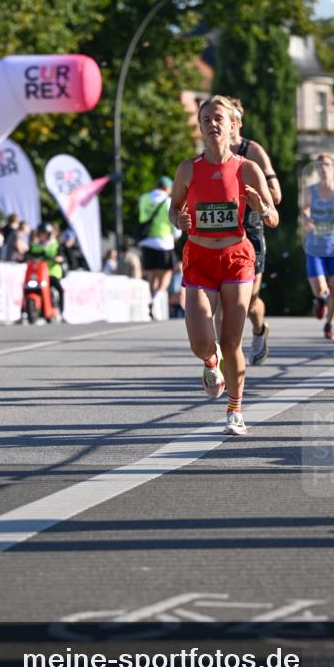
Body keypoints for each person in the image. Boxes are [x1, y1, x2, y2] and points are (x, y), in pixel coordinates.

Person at [169, 95, 279, 436]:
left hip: (236, 258)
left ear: (233, 125)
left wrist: (262, 208)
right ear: (200, 127)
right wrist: (180, 221)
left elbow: (274, 218)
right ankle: (209, 362)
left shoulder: (248, 167)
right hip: (199, 258)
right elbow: (173, 209)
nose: (212, 123)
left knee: (231, 339)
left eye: (219, 118)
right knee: (201, 342)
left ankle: (235, 409)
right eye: (206, 119)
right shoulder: (188, 168)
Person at [217, 98, 282, 365]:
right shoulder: (211, 152)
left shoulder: (252, 151)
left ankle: (258, 329)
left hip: (250, 233)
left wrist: (253, 194)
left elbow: (276, 196)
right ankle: (222, 358)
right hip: (220, 234)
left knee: (249, 298)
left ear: (237, 123)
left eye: (226, 117)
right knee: (222, 298)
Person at [302, 154, 334, 341]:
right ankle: (321, 300)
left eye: (327, 165)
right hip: (315, 247)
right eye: (320, 166)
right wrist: (307, 219)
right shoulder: (309, 191)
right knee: (320, 289)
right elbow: (305, 209)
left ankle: (329, 325)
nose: (323, 168)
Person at [137, 175, 181, 318]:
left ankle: (151, 298)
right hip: (164, 242)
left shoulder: (144, 198)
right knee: (167, 272)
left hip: (146, 242)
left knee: (151, 275)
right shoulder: (167, 201)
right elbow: (174, 222)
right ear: (167, 187)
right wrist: (176, 236)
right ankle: (156, 299)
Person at [28, 222, 65, 311]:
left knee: (59, 289)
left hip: (52, 273)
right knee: (27, 288)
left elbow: (61, 257)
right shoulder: (35, 246)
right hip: (38, 274)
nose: (42, 236)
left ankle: (61, 310)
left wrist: (56, 259)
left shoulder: (55, 245)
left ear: (48, 235)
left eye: (44, 234)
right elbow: (28, 255)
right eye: (40, 234)